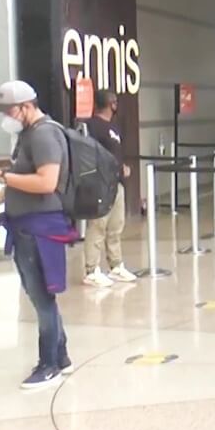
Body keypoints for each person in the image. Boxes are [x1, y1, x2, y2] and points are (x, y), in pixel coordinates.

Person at [0, 81, 75, 389]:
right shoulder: (28, 135)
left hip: (40, 228)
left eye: (8, 110)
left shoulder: (44, 135)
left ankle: (49, 364)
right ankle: (61, 355)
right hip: (26, 227)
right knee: (39, 294)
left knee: (42, 297)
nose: (5, 117)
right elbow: (20, 180)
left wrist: (1, 175)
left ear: (26, 106)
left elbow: (46, 182)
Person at [81, 90, 136, 287]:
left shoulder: (113, 126)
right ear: (111, 103)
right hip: (100, 184)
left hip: (117, 182)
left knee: (116, 226)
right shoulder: (91, 126)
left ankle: (116, 265)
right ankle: (91, 269)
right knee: (98, 225)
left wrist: (122, 168)